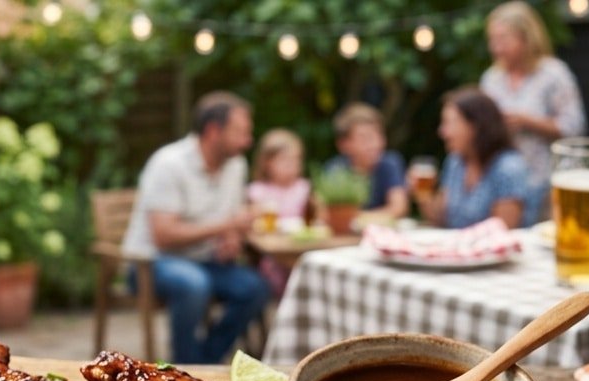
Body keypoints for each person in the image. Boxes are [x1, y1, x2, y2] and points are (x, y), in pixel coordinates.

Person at [121, 91, 268, 365]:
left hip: (205, 260)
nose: (248, 141)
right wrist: (226, 226)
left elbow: (231, 220)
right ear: (213, 131)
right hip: (152, 263)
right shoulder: (169, 164)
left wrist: (232, 239)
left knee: (255, 288)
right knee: (193, 284)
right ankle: (186, 363)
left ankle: (204, 362)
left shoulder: (236, 165)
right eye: (240, 133)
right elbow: (163, 235)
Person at [480, 0, 586, 225]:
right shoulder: (491, 79)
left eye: (503, 39)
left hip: (546, 183)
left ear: (526, 38)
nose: (496, 47)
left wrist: (527, 122)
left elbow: (574, 127)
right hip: (503, 185)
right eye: (492, 40)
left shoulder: (553, 74)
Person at [412, 87, 529, 230]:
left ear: (475, 126)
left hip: (488, 251)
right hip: (457, 248)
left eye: (448, 123)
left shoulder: (508, 168)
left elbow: (502, 234)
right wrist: (423, 195)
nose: (442, 132)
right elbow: (440, 219)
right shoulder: (455, 161)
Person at [247, 128, 310, 297]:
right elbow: (253, 225)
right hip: (274, 255)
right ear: (267, 163)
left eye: (296, 160)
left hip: (302, 249)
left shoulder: (303, 188)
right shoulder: (257, 191)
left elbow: (315, 218)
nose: (292, 165)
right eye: (285, 160)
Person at [325, 103, 409, 220]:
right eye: (365, 138)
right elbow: (324, 211)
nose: (375, 144)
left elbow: (399, 208)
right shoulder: (336, 169)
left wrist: (358, 218)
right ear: (343, 145)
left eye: (378, 135)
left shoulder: (389, 163)